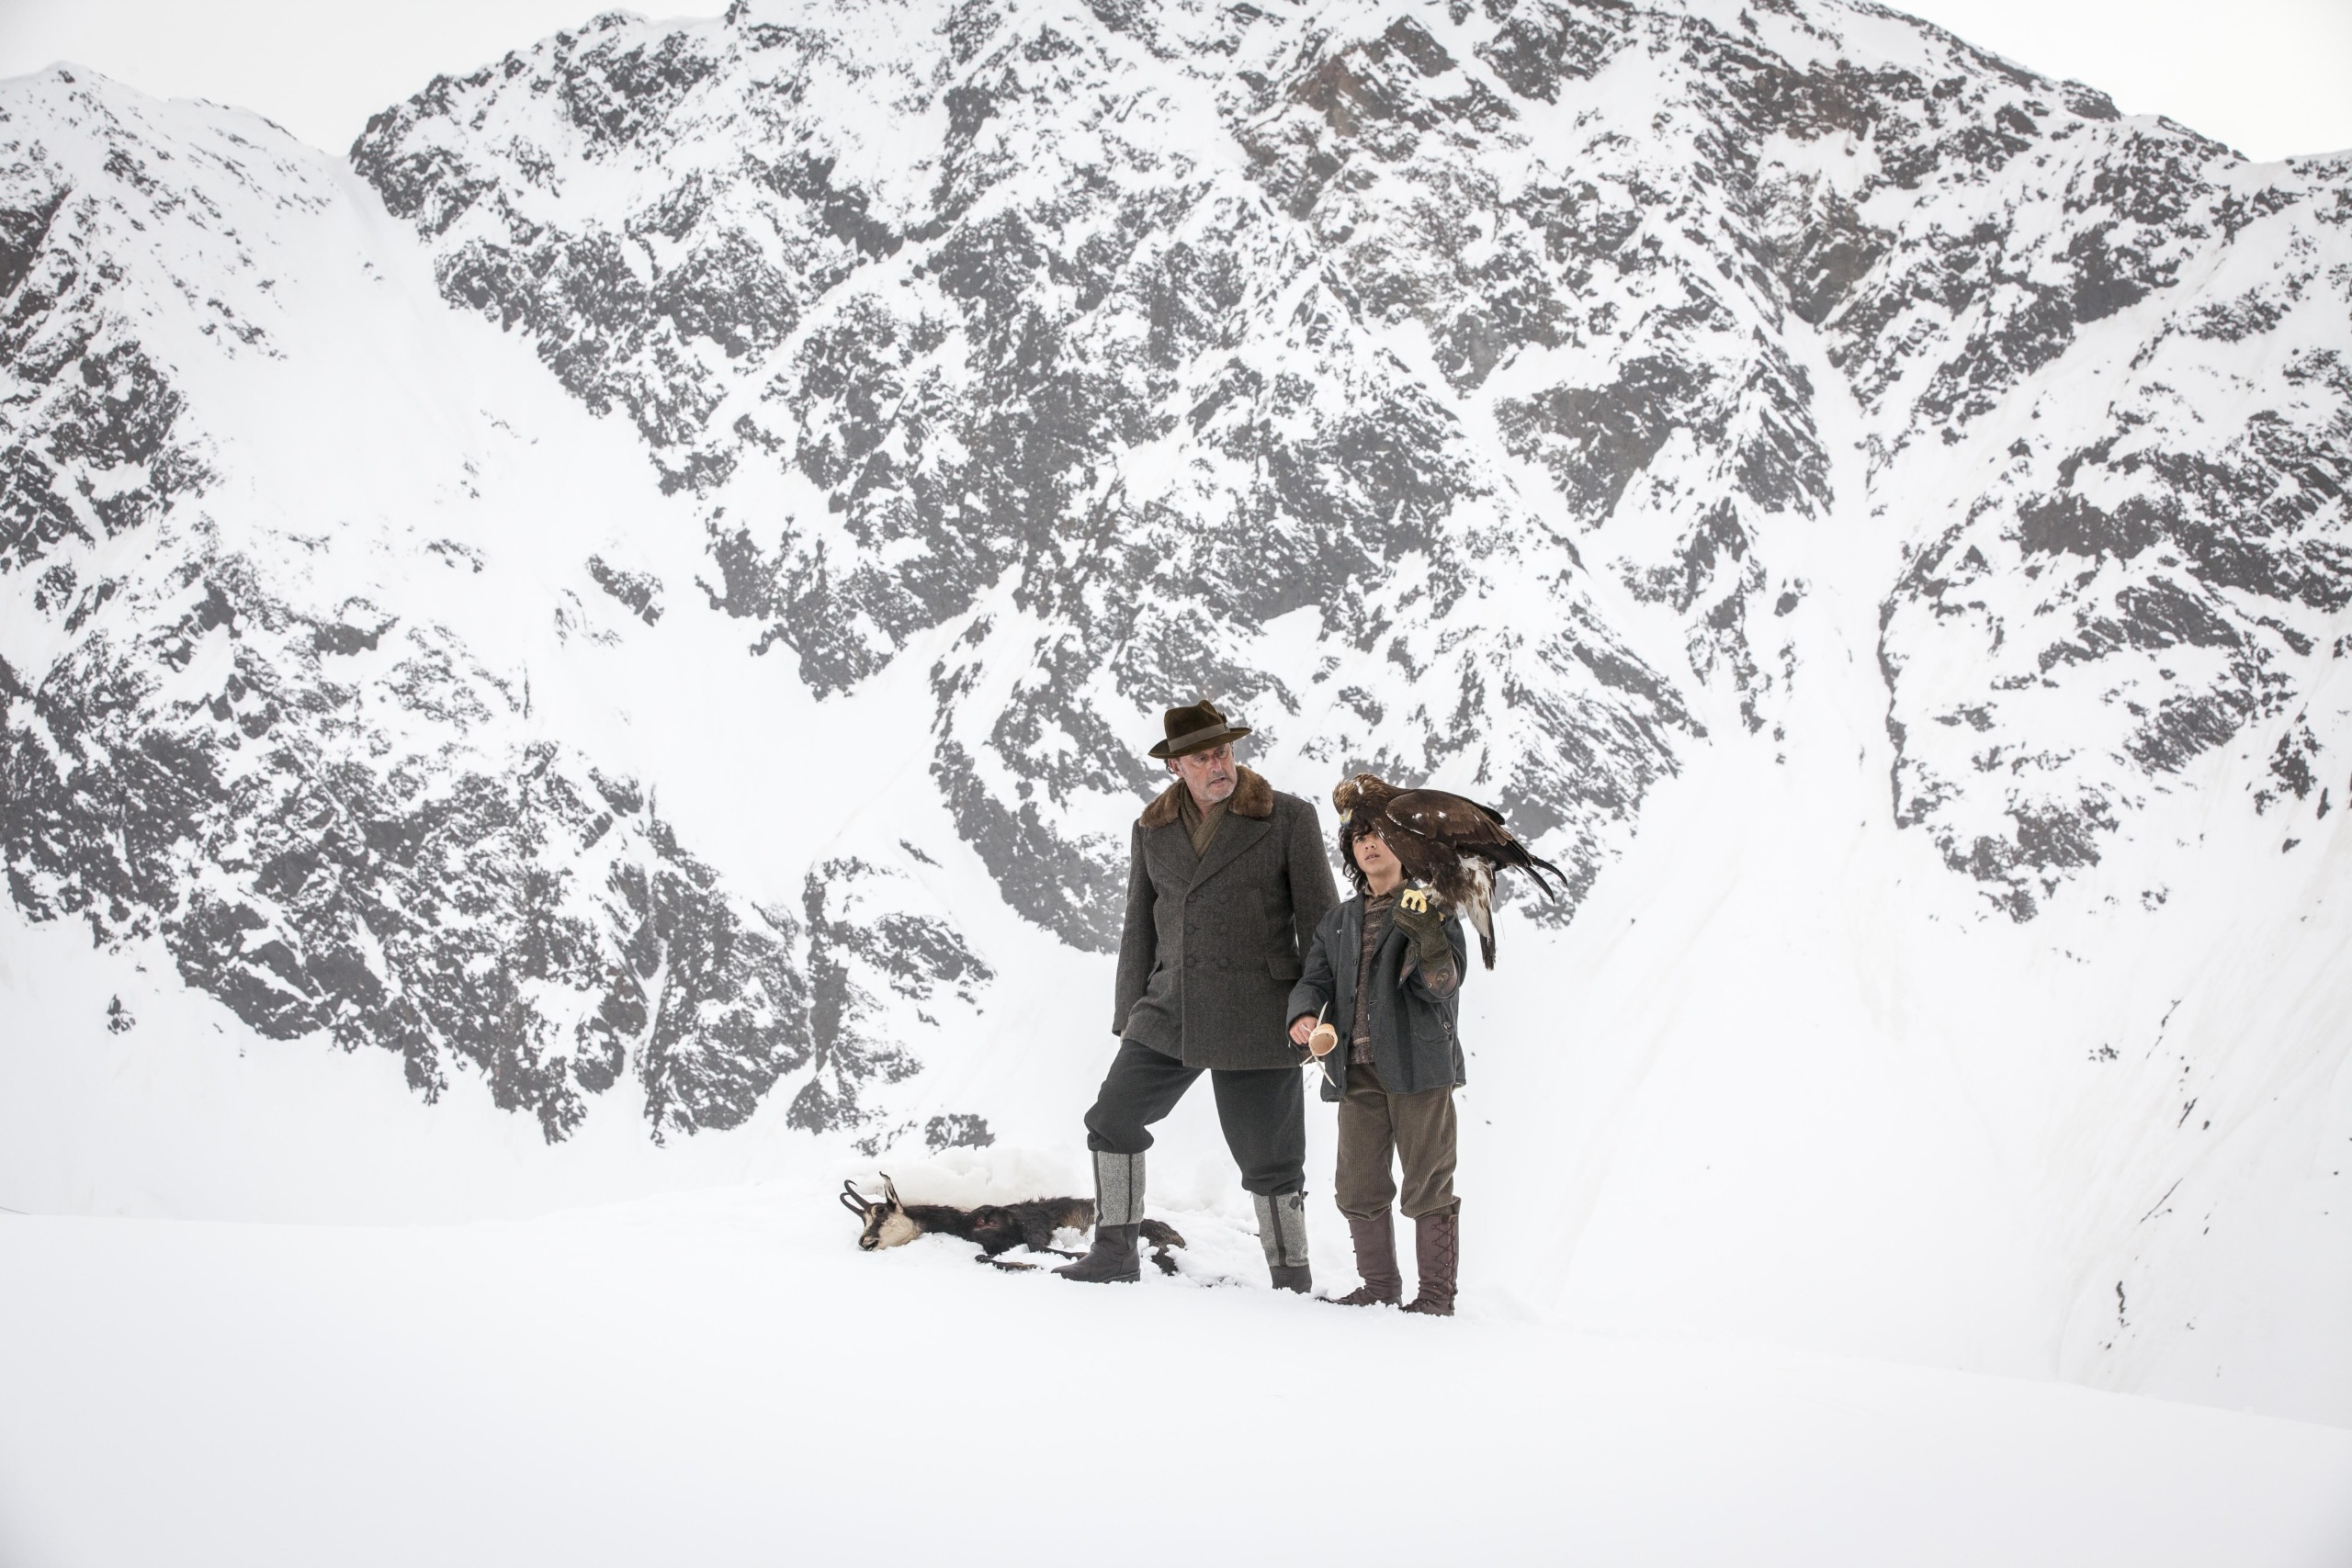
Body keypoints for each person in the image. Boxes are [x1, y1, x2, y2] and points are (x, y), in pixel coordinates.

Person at [1056, 700, 1340, 1289]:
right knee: (1112, 1118)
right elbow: (1140, 925)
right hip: (1169, 1009)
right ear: (1176, 768)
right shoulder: (1152, 830)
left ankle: (1291, 1278)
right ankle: (1115, 1252)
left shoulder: (1288, 819)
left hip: (1263, 1012)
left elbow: (1322, 926)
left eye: (1223, 751)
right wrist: (1129, 1012)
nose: (1218, 765)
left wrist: (1316, 1009)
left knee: (1273, 1161)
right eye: (1202, 757)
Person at [1284, 810, 1469, 1315]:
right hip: (1354, 1069)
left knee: (1428, 1181)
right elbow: (1315, 980)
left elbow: (1444, 985)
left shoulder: (1434, 907)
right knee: (1357, 1184)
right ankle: (1380, 1287)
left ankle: (1434, 1298)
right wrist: (1302, 1014)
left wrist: (1430, 938)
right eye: (1359, 838)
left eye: (1379, 835)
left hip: (1418, 1067)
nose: (1369, 845)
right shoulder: (1338, 921)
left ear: (1401, 847)